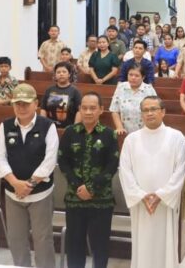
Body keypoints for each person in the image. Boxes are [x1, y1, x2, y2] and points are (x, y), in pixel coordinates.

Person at [119, 95, 185, 268]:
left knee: (165, 245)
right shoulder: (131, 140)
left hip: (165, 204)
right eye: (145, 110)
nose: (149, 113)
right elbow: (125, 171)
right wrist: (141, 196)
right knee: (142, 245)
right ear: (141, 114)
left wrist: (161, 195)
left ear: (163, 112)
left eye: (153, 109)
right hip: (141, 204)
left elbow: (181, 170)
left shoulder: (176, 137)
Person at [0, 83, 58, 268]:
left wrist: (28, 184)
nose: (21, 107)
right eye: (17, 103)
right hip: (13, 194)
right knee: (16, 239)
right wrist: (15, 183)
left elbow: (50, 160)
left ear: (36, 104)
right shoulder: (5, 126)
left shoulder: (48, 126)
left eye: (25, 103)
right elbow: (0, 158)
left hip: (40, 195)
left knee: (42, 240)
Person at [57, 93, 119, 268]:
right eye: (84, 108)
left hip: (101, 201)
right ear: (79, 110)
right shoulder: (70, 132)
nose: (88, 112)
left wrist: (91, 188)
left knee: (100, 247)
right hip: (75, 200)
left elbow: (112, 165)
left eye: (93, 108)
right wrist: (79, 188)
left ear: (101, 110)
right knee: (74, 246)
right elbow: (63, 162)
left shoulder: (109, 134)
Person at [109, 64, 157, 135]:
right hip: (125, 132)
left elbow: (155, 111)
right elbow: (114, 110)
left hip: (145, 131)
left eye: (137, 76)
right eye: (130, 75)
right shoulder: (121, 87)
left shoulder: (149, 89)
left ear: (143, 77)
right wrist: (119, 127)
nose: (133, 78)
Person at [40, 61, 82, 128]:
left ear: (69, 74)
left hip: (68, 128)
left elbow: (79, 111)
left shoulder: (75, 91)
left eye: (64, 72)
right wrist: (43, 125)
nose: (61, 74)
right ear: (55, 75)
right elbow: (43, 109)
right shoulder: (49, 90)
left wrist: (74, 128)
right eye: (58, 72)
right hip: (50, 127)